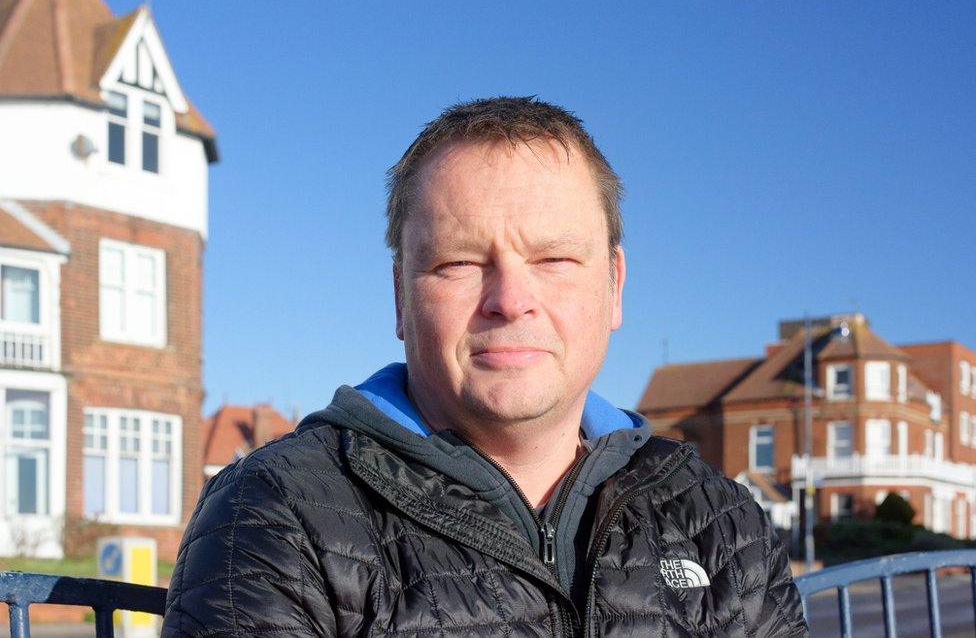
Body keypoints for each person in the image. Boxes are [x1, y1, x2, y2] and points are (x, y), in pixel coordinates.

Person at [162, 96, 808, 637]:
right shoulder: (276, 514)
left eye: (553, 259)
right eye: (459, 264)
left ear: (614, 286)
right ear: (401, 298)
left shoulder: (720, 522)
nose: (510, 300)